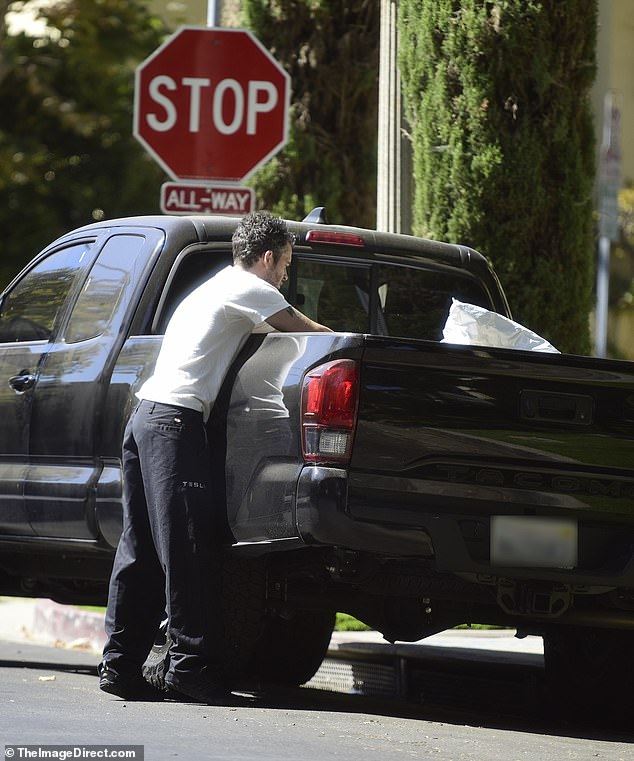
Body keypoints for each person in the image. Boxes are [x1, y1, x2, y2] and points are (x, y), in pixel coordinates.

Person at [99, 211, 331, 703]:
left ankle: (119, 667)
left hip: (144, 418)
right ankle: (189, 667)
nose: (286, 275)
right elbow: (316, 336)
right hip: (174, 423)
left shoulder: (214, 286)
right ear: (267, 258)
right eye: (286, 264)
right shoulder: (254, 290)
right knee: (187, 550)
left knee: (139, 549)